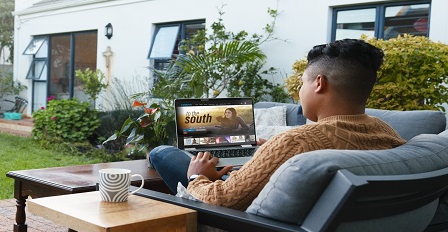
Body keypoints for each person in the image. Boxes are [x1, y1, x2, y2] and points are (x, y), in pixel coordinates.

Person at [149, 38, 406, 210]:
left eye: (302, 83)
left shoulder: (297, 141)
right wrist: (270, 153)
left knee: (163, 153)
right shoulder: (386, 132)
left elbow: (221, 199)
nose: (299, 93)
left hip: (255, 231)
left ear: (319, 83)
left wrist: (197, 176)